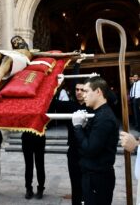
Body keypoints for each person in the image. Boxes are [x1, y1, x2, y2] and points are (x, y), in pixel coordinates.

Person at [72, 76, 119, 205]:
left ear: (98, 92)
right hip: (93, 175)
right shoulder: (98, 113)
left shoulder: (104, 117)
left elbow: (90, 149)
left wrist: (77, 127)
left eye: (86, 91)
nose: (83, 95)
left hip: (98, 178)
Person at [0, 35, 80, 95]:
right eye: (14, 42)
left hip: (19, 59)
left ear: (23, 41)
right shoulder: (10, 51)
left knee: (7, 58)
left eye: (18, 39)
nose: (17, 42)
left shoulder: (31, 52)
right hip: (10, 55)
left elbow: (50, 54)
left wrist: (70, 54)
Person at [54, 58, 88, 205]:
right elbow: (51, 102)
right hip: (74, 151)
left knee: (88, 185)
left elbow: (112, 99)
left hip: (89, 150)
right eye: (77, 90)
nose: (79, 92)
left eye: (83, 90)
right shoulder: (70, 105)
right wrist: (55, 84)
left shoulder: (93, 106)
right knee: (76, 185)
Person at [21, 132, 46, 199]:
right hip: (27, 138)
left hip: (39, 137)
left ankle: (40, 188)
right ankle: (28, 189)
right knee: (28, 166)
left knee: (40, 165)